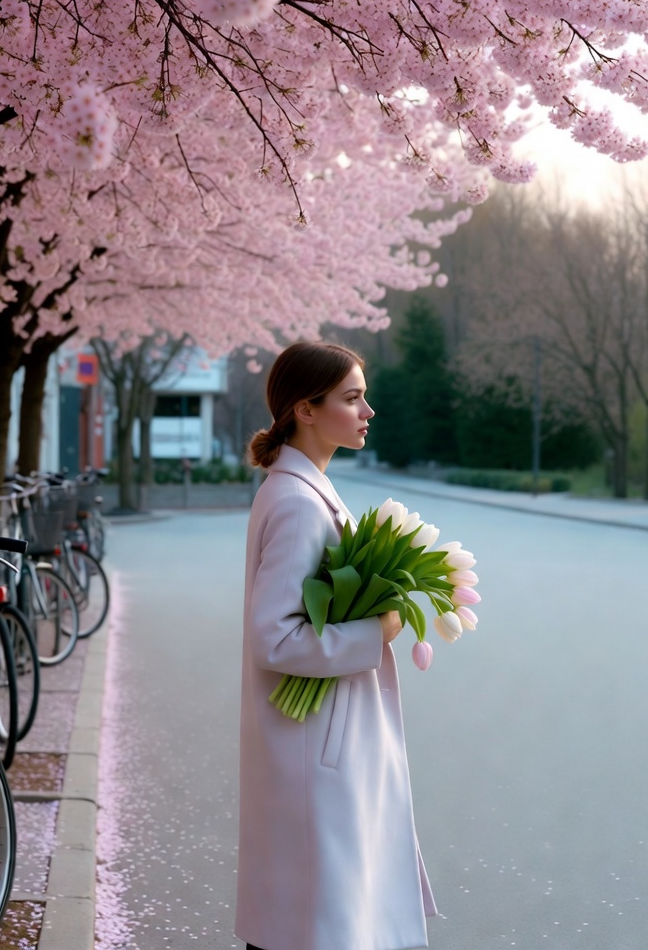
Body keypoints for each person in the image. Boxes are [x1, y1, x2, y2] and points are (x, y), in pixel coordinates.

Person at [236, 341, 437, 950]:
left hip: (319, 736)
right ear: (306, 409)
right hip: (316, 746)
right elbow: (274, 637)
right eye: (352, 399)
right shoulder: (299, 502)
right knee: (315, 923)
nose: (367, 411)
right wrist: (377, 631)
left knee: (313, 919)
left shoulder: (303, 488)